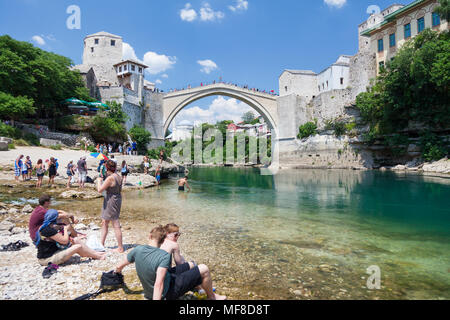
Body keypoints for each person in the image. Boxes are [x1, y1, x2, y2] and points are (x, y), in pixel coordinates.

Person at [114, 226, 226, 300]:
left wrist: (117, 274)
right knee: (204, 268)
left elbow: (119, 266)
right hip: (167, 293)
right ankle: (212, 297)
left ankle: (197, 285)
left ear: (150, 236)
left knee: (192, 265)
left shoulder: (137, 250)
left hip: (152, 290)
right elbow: (159, 283)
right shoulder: (164, 256)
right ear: (163, 241)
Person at [35, 210, 105, 266]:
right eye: (57, 218)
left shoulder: (47, 226)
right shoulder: (48, 230)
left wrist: (69, 219)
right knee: (78, 247)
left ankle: (95, 253)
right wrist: (65, 229)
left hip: (54, 251)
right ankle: (98, 256)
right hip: (47, 259)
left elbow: (68, 235)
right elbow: (65, 241)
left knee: (76, 240)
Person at [97, 160, 124, 253]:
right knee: (104, 221)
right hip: (116, 198)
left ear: (107, 168)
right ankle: (102, 244)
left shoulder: (110, 178)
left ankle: (120, 247)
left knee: (115, 223)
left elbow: (100, 190)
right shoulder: (118, 176)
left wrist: (99, 181)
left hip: (111, 201)